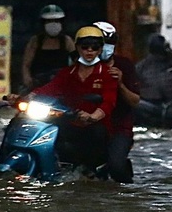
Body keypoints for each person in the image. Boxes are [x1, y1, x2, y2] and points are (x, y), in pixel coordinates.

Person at [24, 25, 118, 170]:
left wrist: (93, 116)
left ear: (100, 50)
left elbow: (109, 102)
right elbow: (50, 88)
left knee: (97, 135)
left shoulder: (107, 74)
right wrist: (27, 97)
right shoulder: (67, 73)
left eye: (94, 47)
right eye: (85, 47)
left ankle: (90, 171)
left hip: (95, 125)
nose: (89, 51)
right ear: (78, 48)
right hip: (70, 120)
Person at [94, 21, 140, 183]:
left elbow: (135, 101)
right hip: (90, 125)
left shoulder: (125, 66)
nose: (106, 47)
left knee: (117, 168)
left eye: (110, 43)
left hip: (119, 128)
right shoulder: (82, 66)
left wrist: (119, 84)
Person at [20, 4, 75, 91]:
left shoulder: (67, 41)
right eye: (49, 21)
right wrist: (28, 80)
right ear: (43, 23)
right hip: (38, 86)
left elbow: (76, 63)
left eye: (56, 21)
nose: (53, 24)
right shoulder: (35, 41)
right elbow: (26, 65)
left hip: (61, 86)